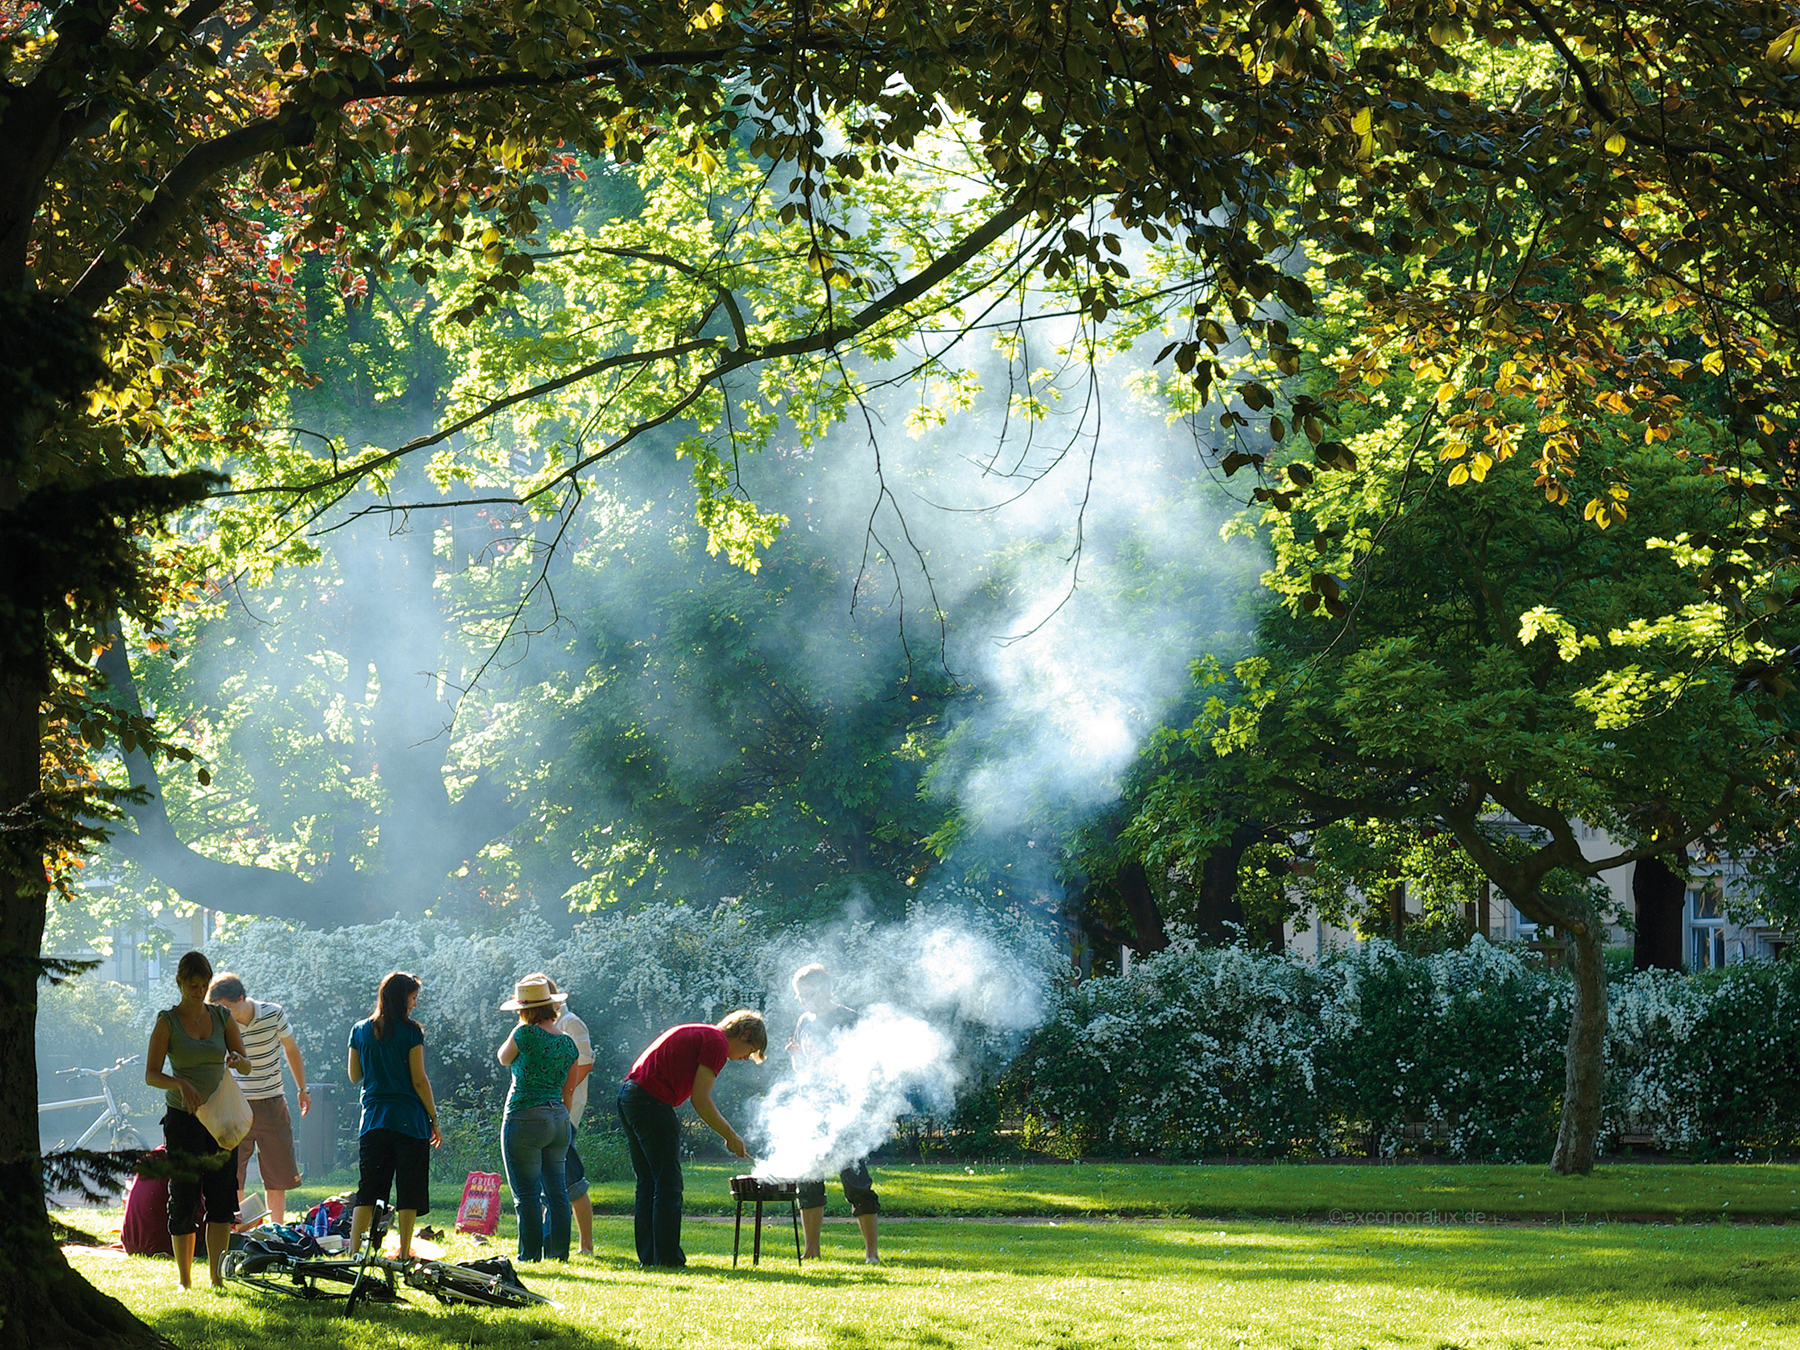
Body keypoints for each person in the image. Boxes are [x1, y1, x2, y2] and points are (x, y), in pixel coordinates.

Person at [616, 1010, 766, 1269]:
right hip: (650, 1101)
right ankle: (667, 1258)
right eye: (750, 1050)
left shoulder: (704, 1034)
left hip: (630, 1096)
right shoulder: (717, 1042)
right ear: (746, 1033)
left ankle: (651, 1257)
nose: (746, 1058)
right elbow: (701, 1099)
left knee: (649, 1182)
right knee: (668, 1183)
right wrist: (730, 1136)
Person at [144, 949, 252, 1289]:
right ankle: (185, 1281)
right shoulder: (168, 1021)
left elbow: (246, 1063)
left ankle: (217, 1279)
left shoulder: (221, 1017)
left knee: (222, 1197)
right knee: (185, 1196)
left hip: (220, 1118)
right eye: (192, 984)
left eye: (203, 984)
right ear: (179, 982)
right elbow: (151, 1074)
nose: (198, 990)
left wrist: (236, 1060)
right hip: (184, 1119)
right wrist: (180, 1083)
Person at [786, 963, 881, 1263]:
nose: (805, 999)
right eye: (800, 994)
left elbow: (865, 1067)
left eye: (810, 992)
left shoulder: (849, 1018)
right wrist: (796, 1059)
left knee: (856, 1183)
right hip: (809, 1109)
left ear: (827, 988)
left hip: (844, 1111)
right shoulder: (803, 1021)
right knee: (809, 1181)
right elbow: (802, 1070)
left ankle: (872, 1255)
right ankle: (811, 1252)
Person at [347, 971, 441, 1260]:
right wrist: (434, 1119)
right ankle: (403, 1251)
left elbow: (354, 1076)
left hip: (374, 1119)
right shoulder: (411, 1031)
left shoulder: (359, 1030)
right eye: (413, 998)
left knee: (369, 1188)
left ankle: (354, 1251)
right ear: (402, 998)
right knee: (409, 1188)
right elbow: (419, 1080)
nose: (414, 1004)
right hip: (409, 1121)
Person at [206, 971, 309, 1225]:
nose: (220, 1014)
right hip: (235, 1105)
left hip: (272, 1102)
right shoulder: (217, 1022)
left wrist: (302, 1089)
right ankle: (237, 1230)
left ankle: (276, 1232)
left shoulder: (273, 1013)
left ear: (241, 998)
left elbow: (291, 1048)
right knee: (233, 1174)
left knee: (277, 1176)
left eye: (225, 1008)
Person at [495, 973, 580, 1262]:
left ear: (523, 1009)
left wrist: (520, 1028)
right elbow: (570, 1087)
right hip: (558, 1116)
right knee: (557, 1191)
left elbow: (503, 1058)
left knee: (527, 1193)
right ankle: (559, 1253)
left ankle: (529, 1255)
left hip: (524, 1116)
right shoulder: (569, 1043)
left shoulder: (524, 1034)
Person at [542, 975, 597, 1255]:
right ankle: (550, 1242)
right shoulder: (541, 1028)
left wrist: (560, 1093)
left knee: (570, 1180)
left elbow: (585, 1063)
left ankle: (585, 1245)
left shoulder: (570, 1022)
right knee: (553, 1181)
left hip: (564, 1113)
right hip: (548, 1113)